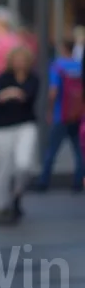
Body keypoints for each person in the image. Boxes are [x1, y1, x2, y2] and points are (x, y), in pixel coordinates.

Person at [0, 47, 39, 223]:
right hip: (3, 127)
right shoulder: (2, 78)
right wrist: (12, 94)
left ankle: (17, 193)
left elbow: (28, 96)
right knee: (3, 169)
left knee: (23, 164)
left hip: (25, 124)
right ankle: (1, 206)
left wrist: (10, 94)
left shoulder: (33, 78)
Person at [39, 40, 84, 192]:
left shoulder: (58, 66)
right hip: (77, 115)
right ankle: (78, 182)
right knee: (79, 151)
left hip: (61, 114)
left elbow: (53, 92)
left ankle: (43, 182)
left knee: (51, 150)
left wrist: (49, 110)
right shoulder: (79, 65)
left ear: (63, 48)